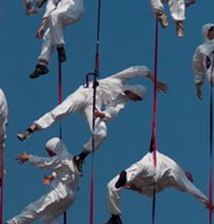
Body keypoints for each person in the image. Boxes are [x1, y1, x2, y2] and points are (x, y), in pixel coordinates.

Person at [17, 67, 166, 166]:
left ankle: (81, 156)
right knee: (62, 110)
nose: (135, 101)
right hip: (85, 93)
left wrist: (103, 114)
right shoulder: (121, 80)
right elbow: (142, 69)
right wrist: (155, 81)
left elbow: (113, 113)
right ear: (136, 92)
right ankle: (31, 129)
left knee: (102, 133)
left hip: (93, 106)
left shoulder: (122, 102)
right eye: (137, 98)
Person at [0, 138, 80, 224]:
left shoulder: (61, 159)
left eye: (50, 152)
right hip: (70, 197)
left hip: (59, 194)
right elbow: (65, 173)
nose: (50, 154)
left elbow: (45, 162)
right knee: (46, 220)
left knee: (34, 209)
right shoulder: (71, 159)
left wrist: (29, 158)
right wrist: (51, 177)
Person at [103, 151, 211, 224]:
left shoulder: (178, 174)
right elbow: (147, 191)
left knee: (141, 167)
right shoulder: (170, 177)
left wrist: (206, 201)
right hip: (139, 171)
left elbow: (193, 189)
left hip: (151, 173)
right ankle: (115, 216)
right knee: (111, 186)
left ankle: (125, 179)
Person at [30, 0, 96, 78]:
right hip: (63, 14)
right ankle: (42, 65)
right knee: (48, 34)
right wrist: (42, 26)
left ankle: (60, 48)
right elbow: (48, 10)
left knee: (54, 15)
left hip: (74, 8)